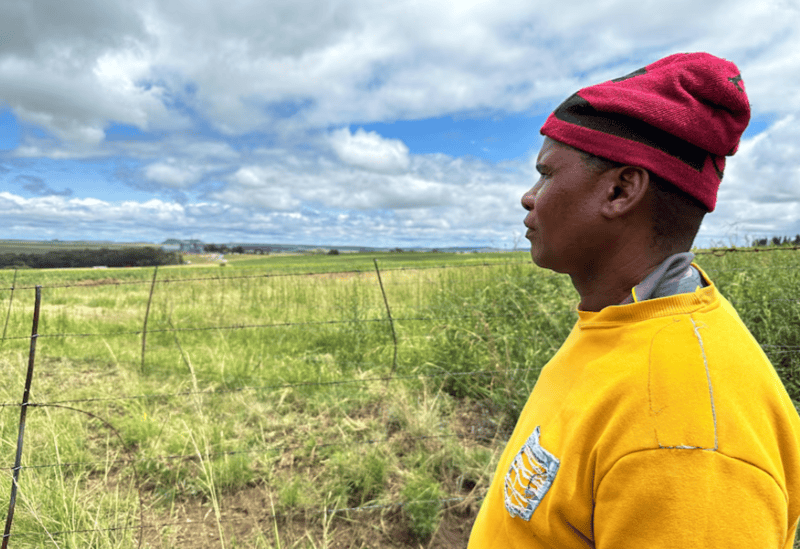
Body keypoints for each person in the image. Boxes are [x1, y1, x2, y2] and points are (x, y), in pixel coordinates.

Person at [467, 52, 800, 548]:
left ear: (621, 190)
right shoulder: (623, 322)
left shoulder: (686, 442)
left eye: (547, 174)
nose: (528, 196)